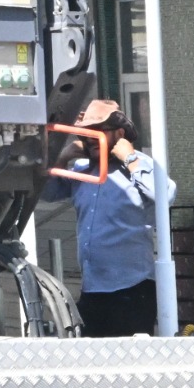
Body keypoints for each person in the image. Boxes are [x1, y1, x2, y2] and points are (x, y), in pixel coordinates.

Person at [41, 99, 160, 337]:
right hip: (93, 288)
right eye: (86, 133)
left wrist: (130, 159)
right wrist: (62, 157)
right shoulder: (82, 170)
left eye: (99, 132)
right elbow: (47, 193)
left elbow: (164, 194)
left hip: (132, 288)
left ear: (119, 134)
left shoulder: (141, 165)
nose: (91, 139)